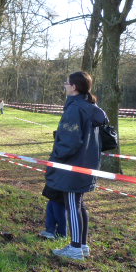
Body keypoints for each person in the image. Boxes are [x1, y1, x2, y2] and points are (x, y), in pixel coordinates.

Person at [46, 71, 107, 260]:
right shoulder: (90, 107)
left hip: (73, 166)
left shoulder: (75, 109)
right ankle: (83, 245)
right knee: (79, 205)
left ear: (74, 87)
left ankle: (74, 248)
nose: (64, 85)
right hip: (86, 164)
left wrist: (55, 159)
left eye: (66, 83)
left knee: (72, 205)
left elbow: (69, 141)